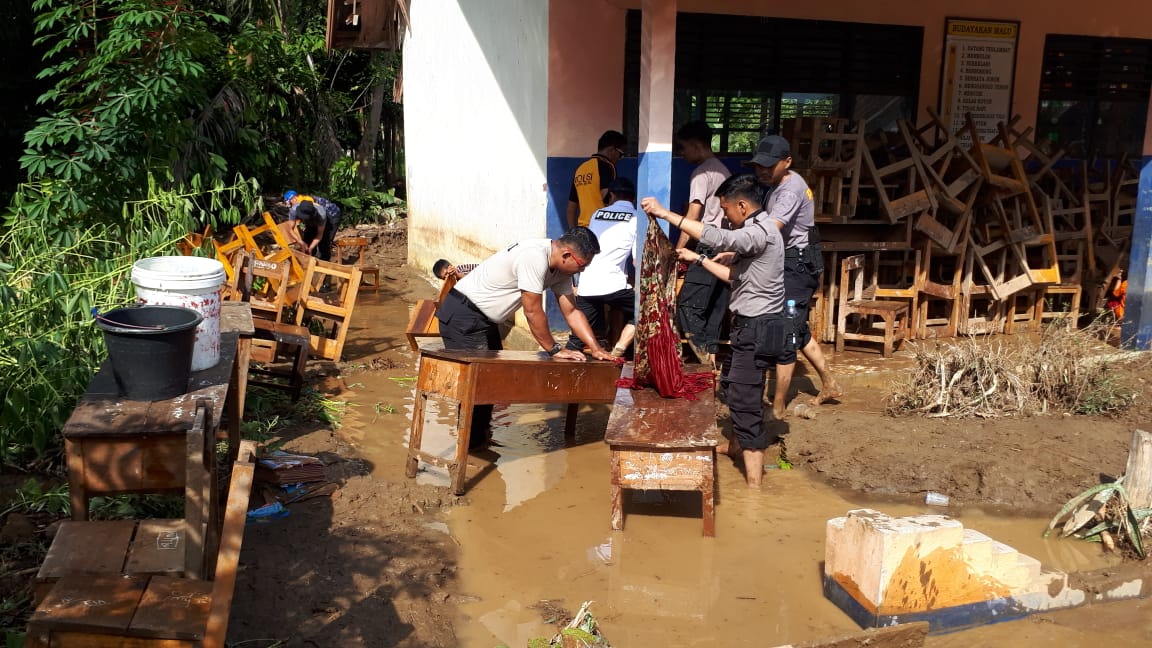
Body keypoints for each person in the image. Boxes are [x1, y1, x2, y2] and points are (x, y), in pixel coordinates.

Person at [642, 174, 791, 487]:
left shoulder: (757, 232)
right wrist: (698, 259)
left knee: (746, 400)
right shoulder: (761, 232)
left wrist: (665, 214)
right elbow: (735, 276)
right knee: (737, 388)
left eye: (726, 209)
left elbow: (720, 238)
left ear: (741, 205)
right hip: (756, 326)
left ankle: (754, 487)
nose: (725, 215)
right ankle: (736, 448)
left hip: (758, 328)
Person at [436, 227, 616, 447]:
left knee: (490, 384)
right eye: (582, 265)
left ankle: (480, 443)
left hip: (483, 320)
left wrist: (595, 348)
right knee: (476, 386)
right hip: (462, 315)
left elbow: (571, 312)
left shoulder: (561, 270)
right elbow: (532, 310)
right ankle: (469, 449)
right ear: (566, 255)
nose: (583, 271)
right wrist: (555, 350)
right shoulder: (534, 257)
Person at [746, 135, 842, 417]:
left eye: (768, 166)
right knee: (797, 328)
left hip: (797, 267)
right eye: (758, 166)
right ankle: (830, 383)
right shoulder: (781, 183)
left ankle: (777, 406)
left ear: (787, 162)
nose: (762, 171)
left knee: (786, 335)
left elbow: (772, 229)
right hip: (793, 262)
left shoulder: (789, 191)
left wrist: (737, 246)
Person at [671, 120, 732, 367]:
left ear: (697, 145)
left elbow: (692, 218)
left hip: (707, 246)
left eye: (684, 147)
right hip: (726, 247)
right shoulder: (723, 171)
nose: (682, 153)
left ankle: (703, 360)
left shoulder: (702, 173)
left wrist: (679, 250)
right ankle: (711, 365)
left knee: (688, 306)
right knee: (715, 309)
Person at [565, 177, 639, 358]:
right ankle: (620, 348)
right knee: (644, 309)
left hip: (588, 286)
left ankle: (570, 353)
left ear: (611, 196)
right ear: (633, 199)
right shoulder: (637, 218)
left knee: (577, 337)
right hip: (615, 288)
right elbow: (638, 261)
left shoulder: (597, 214)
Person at [567, 130, 627, 229]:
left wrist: (573, 232)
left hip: (583, 229)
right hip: (601, 227)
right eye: (621, 154)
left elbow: (571, 207)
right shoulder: (608, 166)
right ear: (612, 150)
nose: (620, 159)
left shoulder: (581, 169)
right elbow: (607, 197)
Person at [284, 190, 343, 261]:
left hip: (332, 214)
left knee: (325, 241)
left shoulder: (321, 214)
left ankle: (324, 263)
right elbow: (290, 229)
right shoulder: (294, 209)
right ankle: (310, 258)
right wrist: (301, 243)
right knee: (308, 238)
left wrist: (311, 247)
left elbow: (320, 234)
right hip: (313, 213)